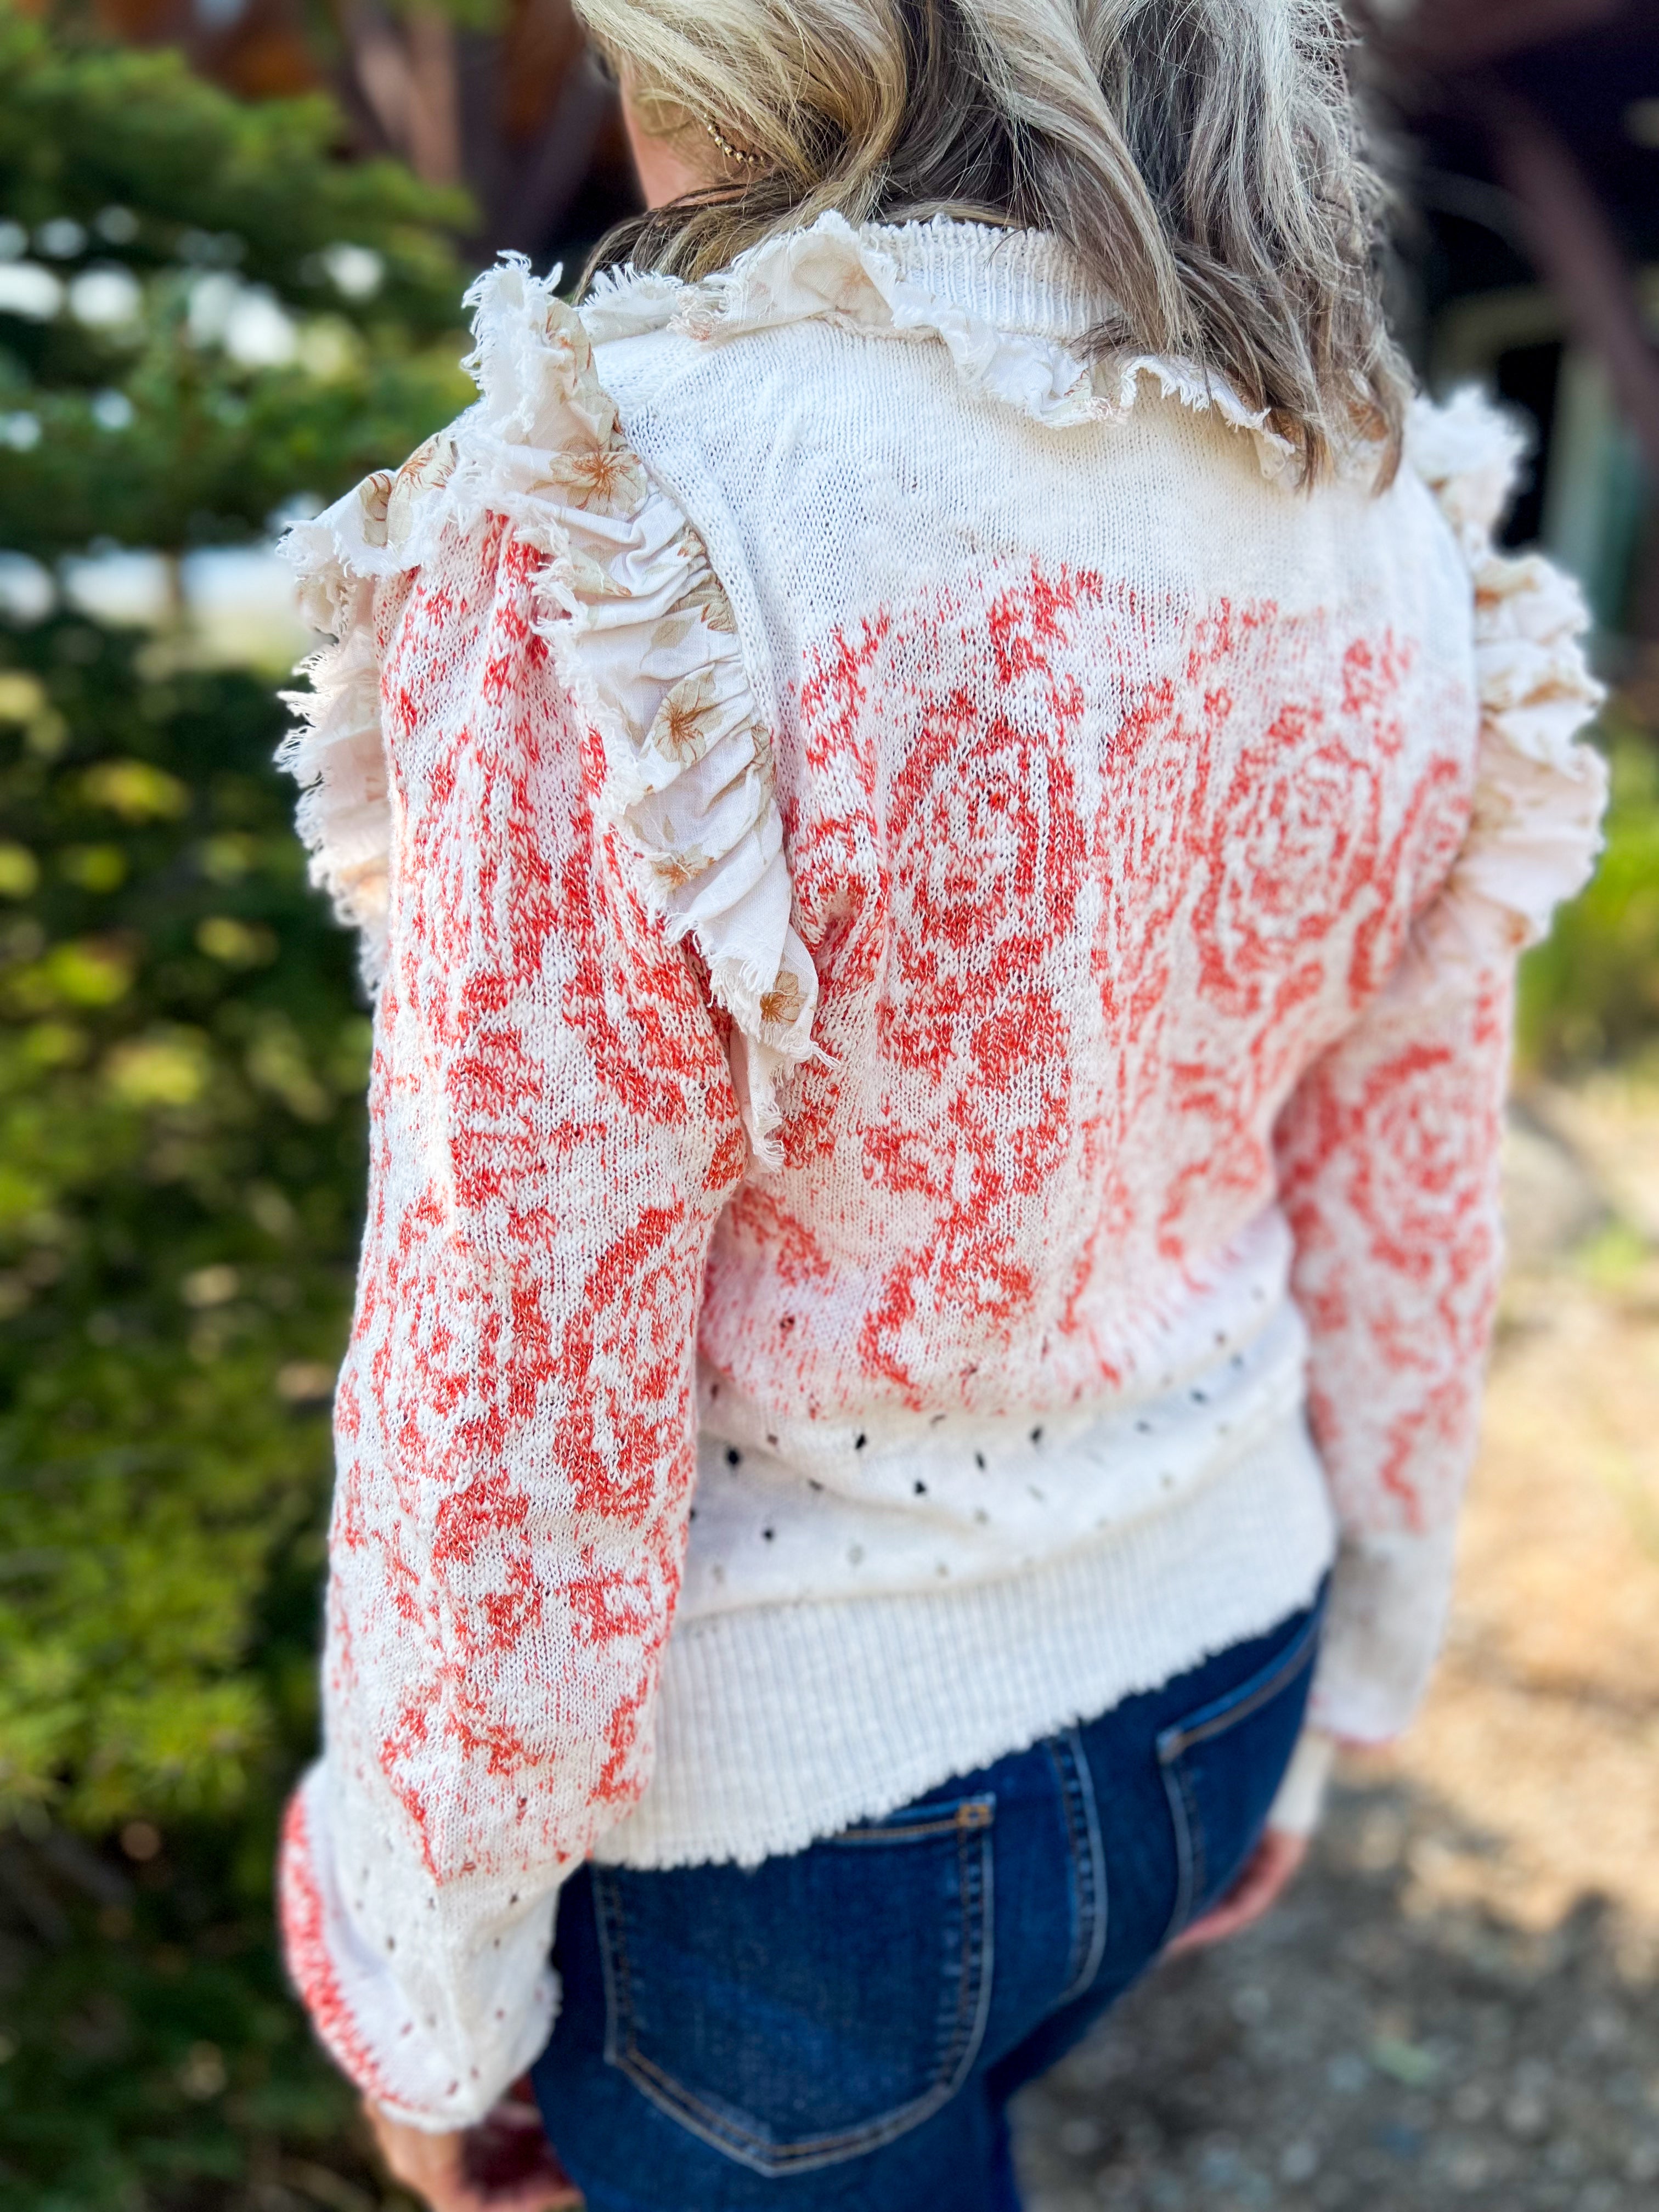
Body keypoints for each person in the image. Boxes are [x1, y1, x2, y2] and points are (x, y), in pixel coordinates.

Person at [274, 3, 1606, 2207]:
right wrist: (1350, 1667)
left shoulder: (629, 506)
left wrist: (424, 1982)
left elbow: (512, 1361)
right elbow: (1402, 1174)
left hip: (801, 1841)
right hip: (1222, 1659)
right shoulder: (1375, 503)